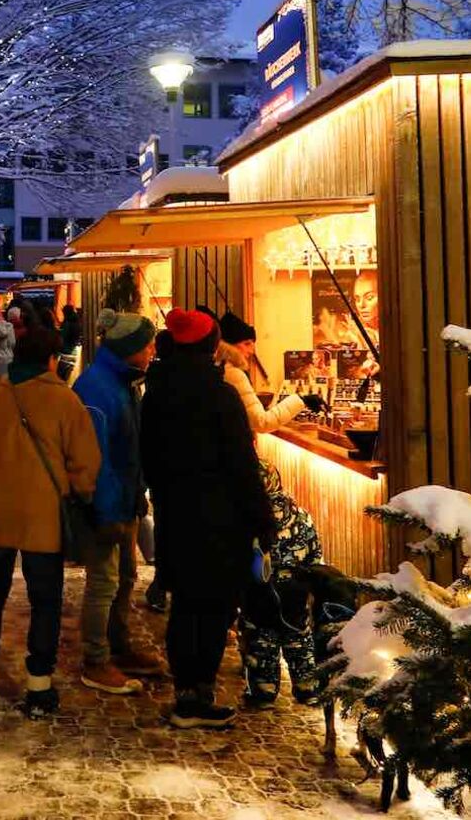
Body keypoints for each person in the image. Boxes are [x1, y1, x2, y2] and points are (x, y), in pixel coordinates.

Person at [141, 310, 276, 729]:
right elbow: (241, 465)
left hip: (173, 512)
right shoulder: (219, 396)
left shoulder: (156, 392)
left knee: (184, 603)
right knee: (216, 606)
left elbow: (149, 457)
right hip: (221, 519)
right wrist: (262, 519)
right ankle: (200, 693)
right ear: (208, 345)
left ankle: (186, 691)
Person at [0, 326, 100, 716]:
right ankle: (39, 685)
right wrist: (78, 491)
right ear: (52, 360)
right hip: (45, 518)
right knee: (45, 600)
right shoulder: (64, 400)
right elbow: (85, 463)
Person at [71, 307, 165, 693]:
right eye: (147, 345)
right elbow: (96, 458)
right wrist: (107, 510)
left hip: (124, 500)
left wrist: (137, 493)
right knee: (104, 581)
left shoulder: (125, 382)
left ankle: (119, 645)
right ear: (129, 348)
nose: (153, 351)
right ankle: (95, 660)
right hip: (105, 506)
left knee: (125, 576)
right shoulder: (97, 388)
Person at [239, 463, 325, 706]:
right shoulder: (301, 515)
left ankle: (263, 691)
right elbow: (315, 555)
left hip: (260, 590)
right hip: (295, 590)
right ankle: (307, 686)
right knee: (298, 639)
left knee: (262, 640)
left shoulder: (246, 517)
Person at [217, 311, 326, 432]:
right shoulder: (233, 374)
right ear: (229, 346)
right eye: (246, 344)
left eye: (253, 344)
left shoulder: (218, 370)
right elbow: (262, 422)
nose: (252, 351)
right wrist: (302, 400)